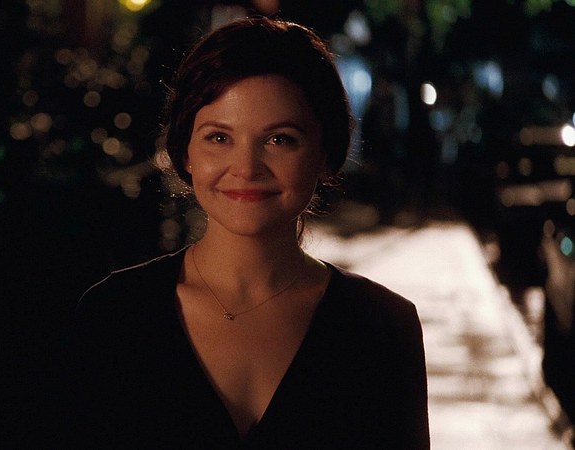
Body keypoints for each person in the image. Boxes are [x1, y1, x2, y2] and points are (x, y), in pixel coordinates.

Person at [65, 16, 429, 448]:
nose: (246, 168)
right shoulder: (113, 315)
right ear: (185, 152)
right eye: (219, 138)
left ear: (325, 153)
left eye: (280, 140)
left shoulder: (384, 327)